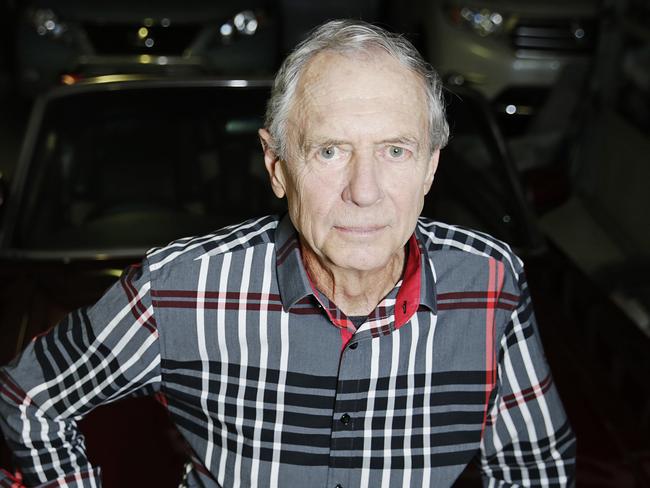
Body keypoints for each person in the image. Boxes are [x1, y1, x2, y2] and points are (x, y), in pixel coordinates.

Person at [0, 19, 575, 488]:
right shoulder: (181, 289)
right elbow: (29, 397)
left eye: (396, 151)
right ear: (278, 168)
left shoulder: (491, 281)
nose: (365, 190)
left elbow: (534, 465)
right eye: (330, 151)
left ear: (430, 167)